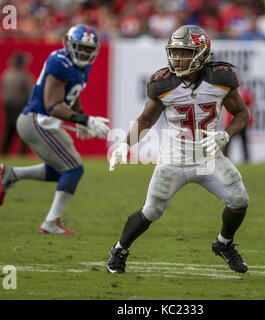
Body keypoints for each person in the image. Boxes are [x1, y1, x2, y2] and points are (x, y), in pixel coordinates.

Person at [107, 25, 250, 274]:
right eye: (174, 52)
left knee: (240, 200)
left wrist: (225, 134)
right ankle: (119, 250)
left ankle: (224, 244)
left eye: (184, 53)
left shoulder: (221, 78)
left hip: (209, 157)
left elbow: (241, 113)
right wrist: (124, 145)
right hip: (174, 158)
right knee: (151, 211)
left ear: (201, 54)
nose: (177, 58)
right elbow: (146, 121)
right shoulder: (163, 82)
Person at [0, 24, 110, 234]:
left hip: (46, 123)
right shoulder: (59, 62)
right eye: (80, 47)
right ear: (68, 44)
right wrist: (84, 119)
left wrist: (79, 118)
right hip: (36, 121)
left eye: (88, 49)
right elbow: (52, 106)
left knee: (64, 170)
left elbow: (73, 93)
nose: (84, 53)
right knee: (74, 169)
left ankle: (12, 174)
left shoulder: (82, 66)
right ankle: (50, 223)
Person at [0, 52, 33, 156]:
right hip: (20, 107)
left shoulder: (6, 74)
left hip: (7, 106)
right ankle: (22, 154)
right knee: (23, 131)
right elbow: (29, 93)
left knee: (7, 131)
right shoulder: (25, 76)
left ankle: (3, 153)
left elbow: (1, 90)